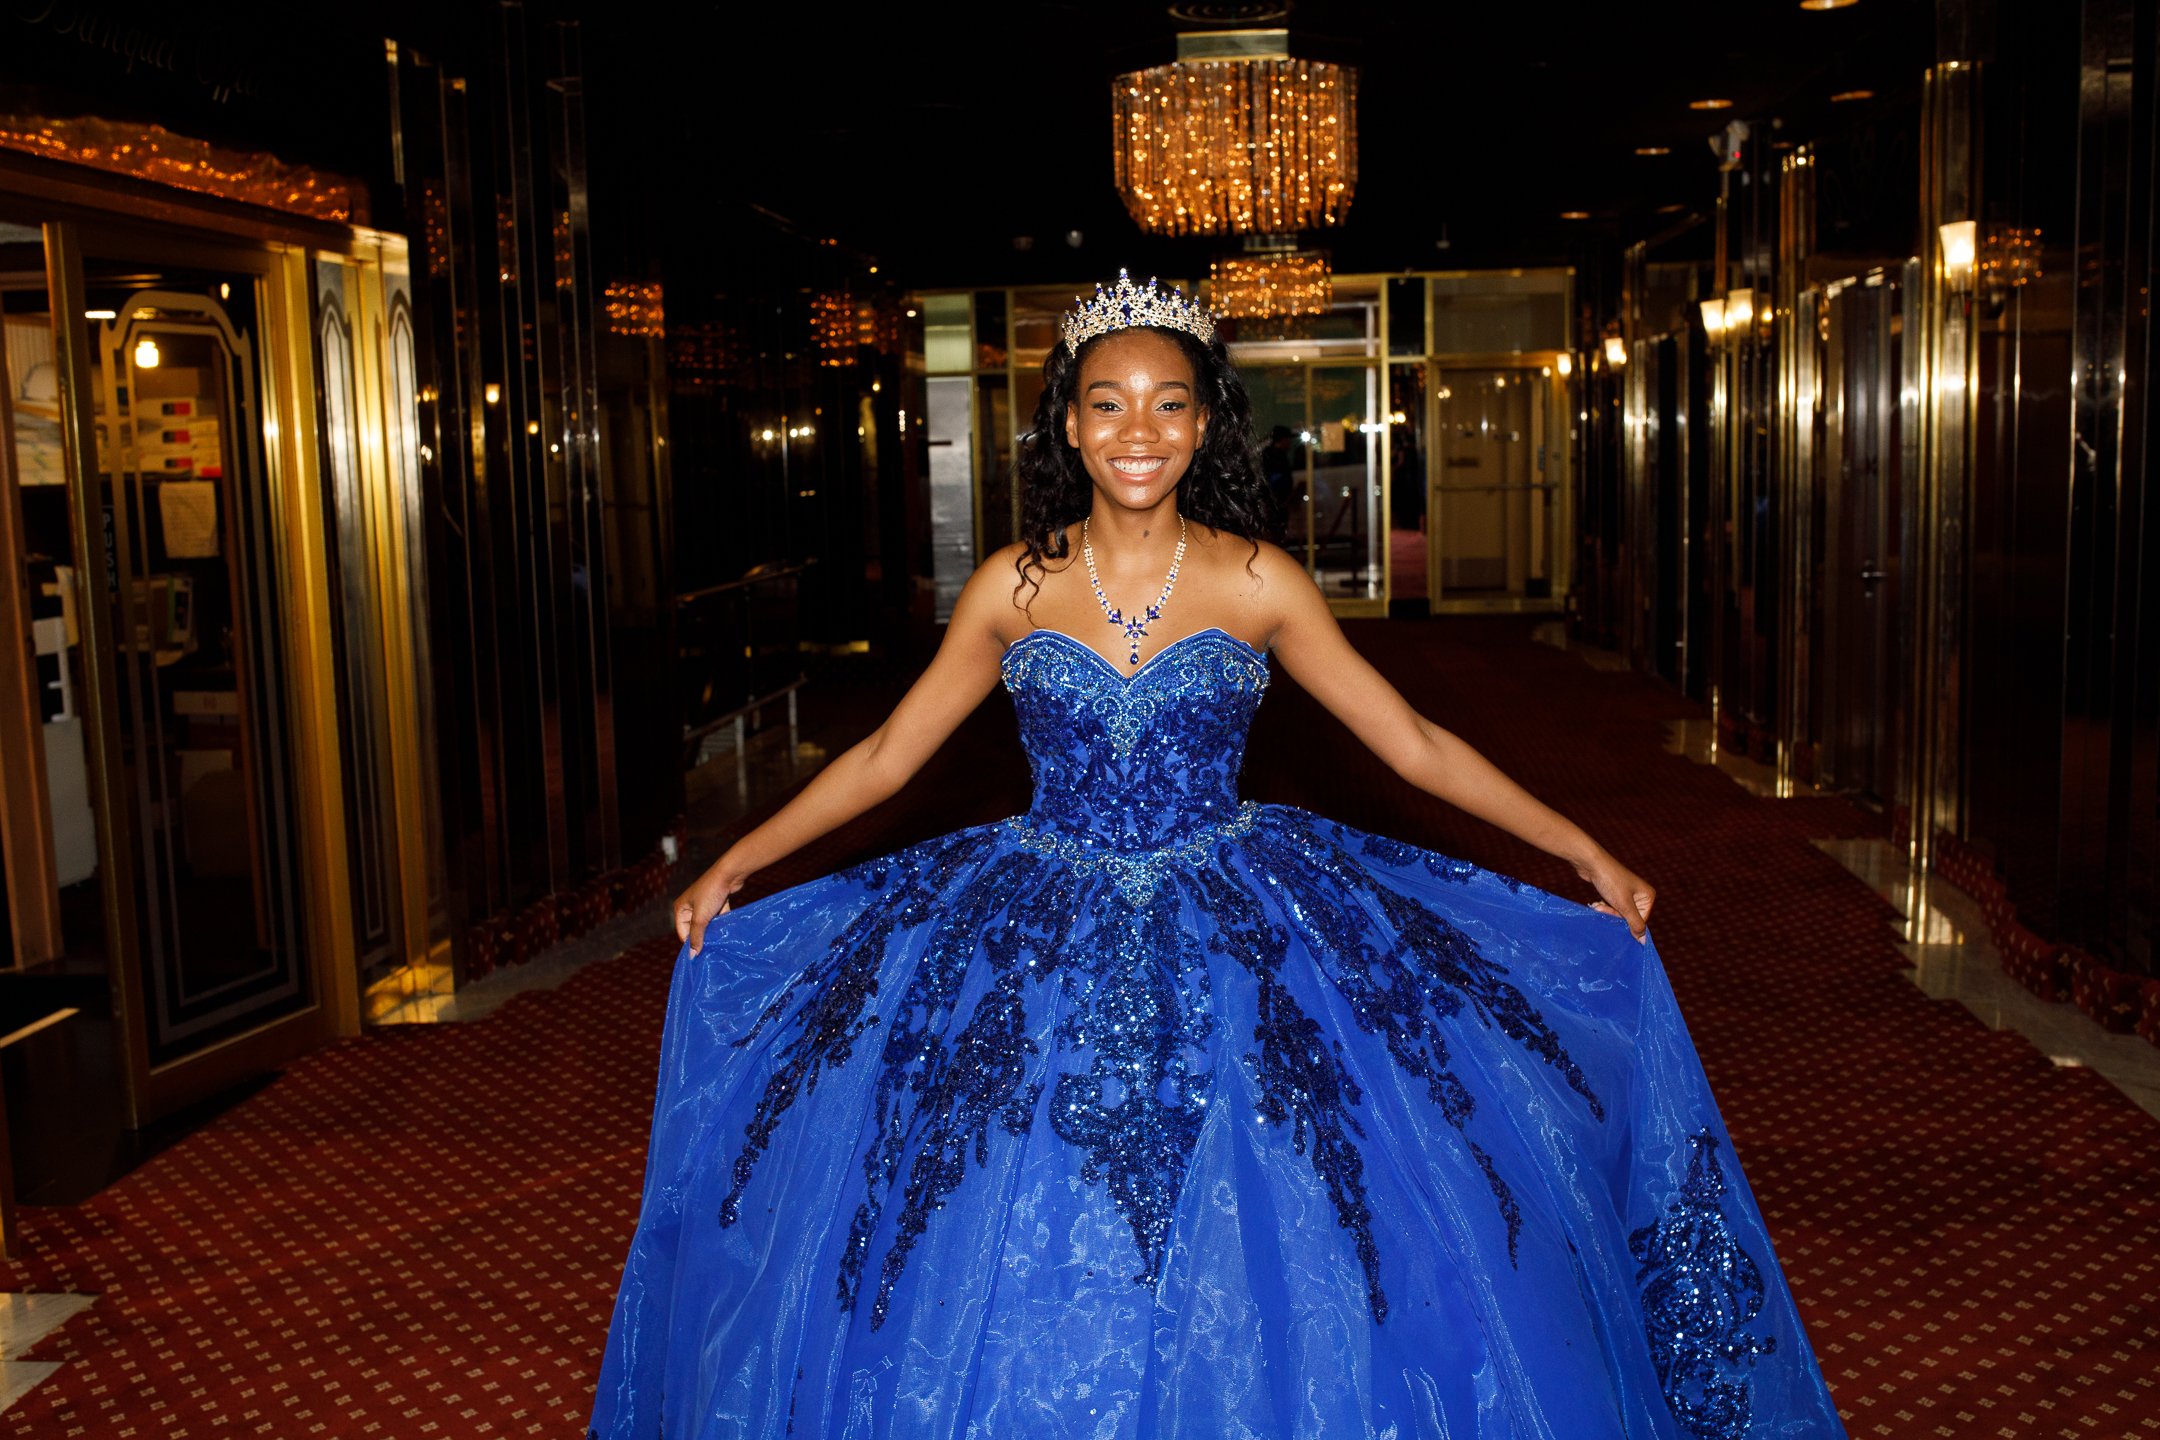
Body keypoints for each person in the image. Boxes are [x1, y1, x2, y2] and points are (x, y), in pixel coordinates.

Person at [589, 272, 1846, 1439]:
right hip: (1036, 924)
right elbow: (884, 761)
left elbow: (1408, 742)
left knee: (1302, 1207)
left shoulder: (1257, 582)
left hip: (1246, 923)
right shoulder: (1013, 592)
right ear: (1071, 429)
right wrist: (735, 865)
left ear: (1202, 428)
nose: (1140, 430)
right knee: (998, 1208)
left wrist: (1584, 852)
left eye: (1169, 405)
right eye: (1110, 404)